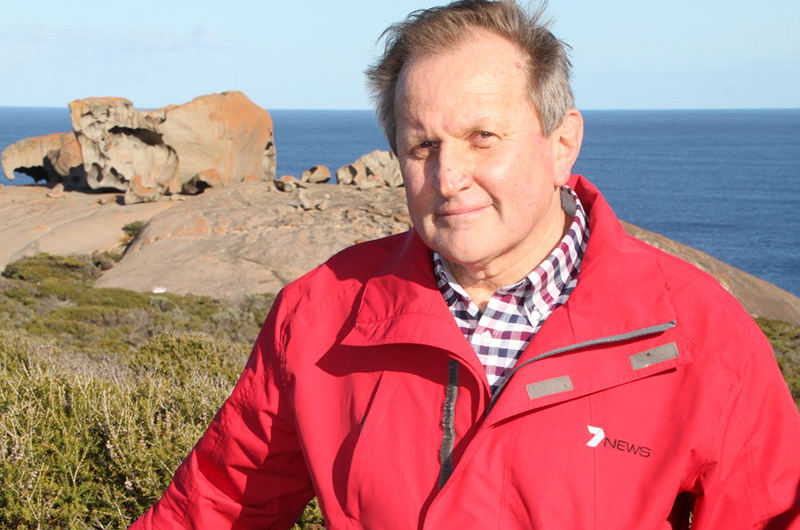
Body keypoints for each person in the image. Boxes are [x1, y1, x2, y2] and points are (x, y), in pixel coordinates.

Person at [130, 1, 800, 528]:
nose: (448, 176)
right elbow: (213, 509)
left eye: (484, 137)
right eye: (422, 144)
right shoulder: (321, 316)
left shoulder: (694, 334)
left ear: (561, 143)